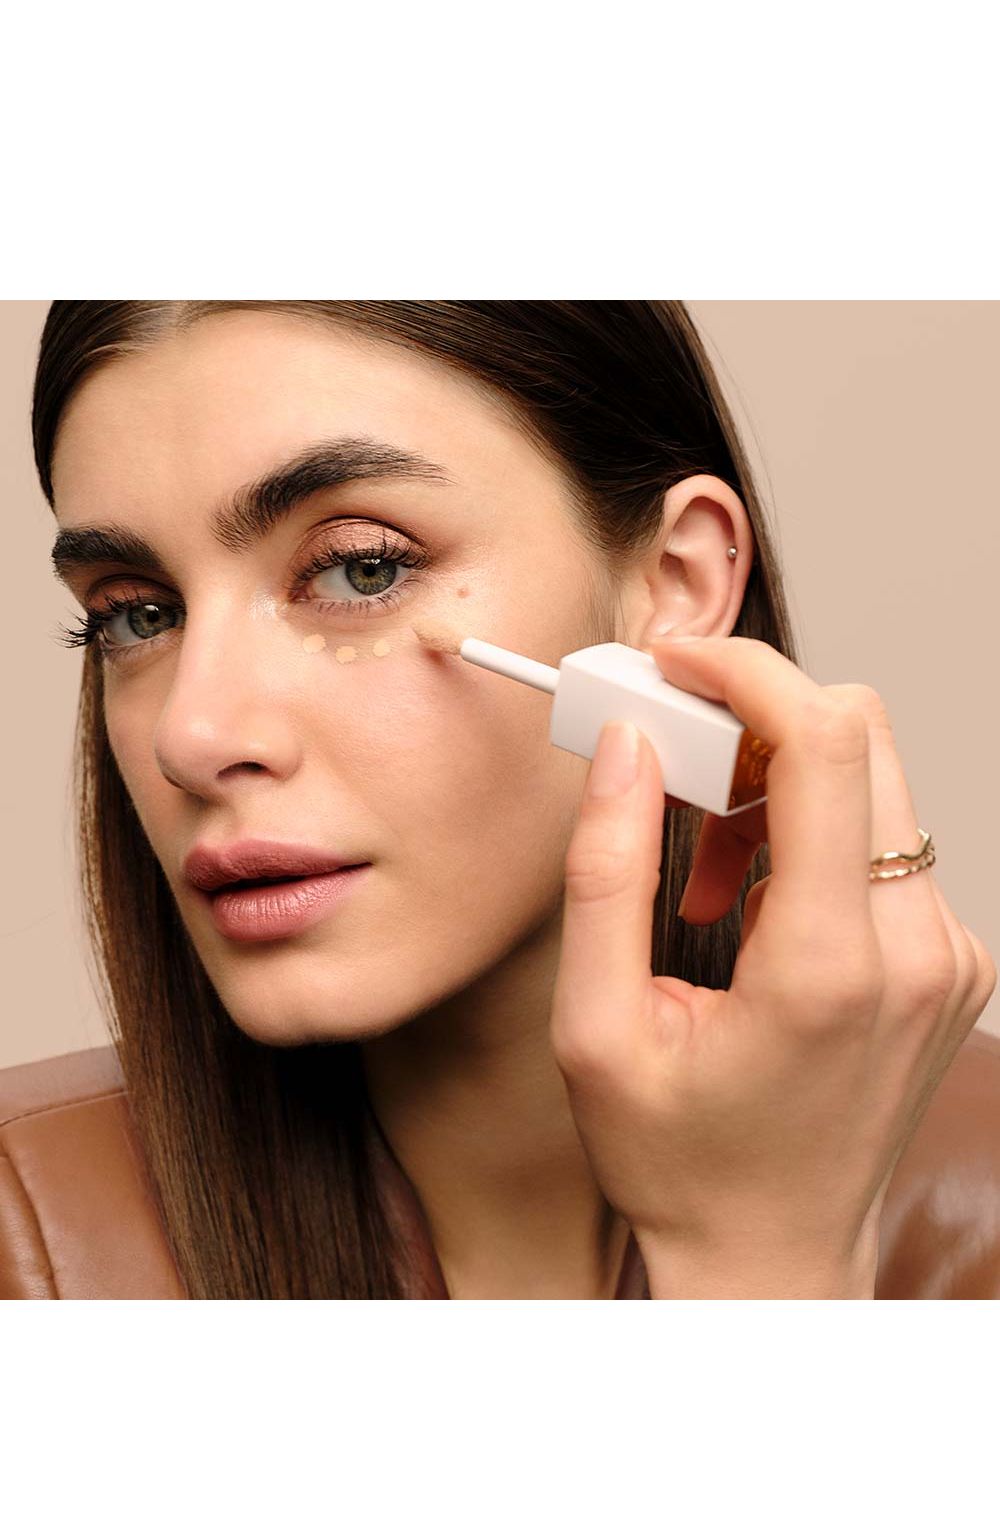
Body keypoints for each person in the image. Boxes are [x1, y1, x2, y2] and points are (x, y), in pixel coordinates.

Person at [16, 299, 997, 1300]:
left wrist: (761, 1244)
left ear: (676, 583)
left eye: (361, 569)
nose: (191, 737)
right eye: (136, 615)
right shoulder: (31, 1242)